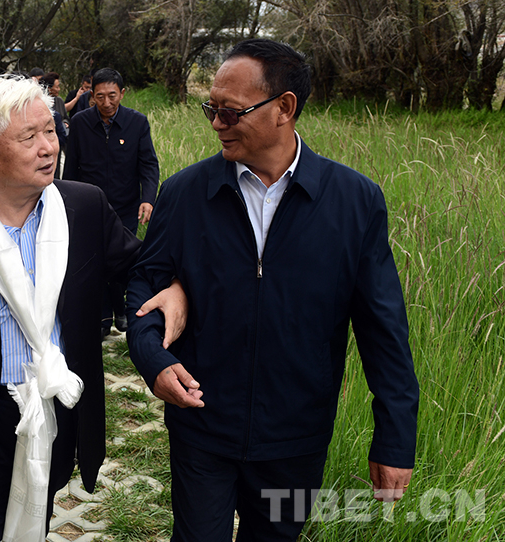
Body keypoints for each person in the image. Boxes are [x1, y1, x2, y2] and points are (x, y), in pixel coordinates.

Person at [126, 38, 419, 541]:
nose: (217, 124)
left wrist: (394, 438)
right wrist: (153, 360)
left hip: (296, 438)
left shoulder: (355, 201)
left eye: (231, 112)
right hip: (201, 424)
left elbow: (383, 329)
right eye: (211, 110)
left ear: (284, 107)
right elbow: (144, 285)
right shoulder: (185, 193)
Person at [0, 75, 183, 542]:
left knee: (36, 516)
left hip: (54, 410)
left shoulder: (83, 208)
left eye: (51, 130)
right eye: (29, 137)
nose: (49, 147)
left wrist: (175, 287)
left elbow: (137, 268)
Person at [64, 67, 160, 336]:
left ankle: (123, 309)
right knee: (94, 259)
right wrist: (66, 202)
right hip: (90, 205)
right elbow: (71, 167)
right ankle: (104, 316)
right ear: (91, 95)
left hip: (125, 205)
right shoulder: (81, 123)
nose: (106, 102)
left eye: (112, 95)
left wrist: (147, 199)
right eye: (100, 96)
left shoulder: (137, 122)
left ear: (122, 93)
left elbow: (148, 165)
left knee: (121, 258)